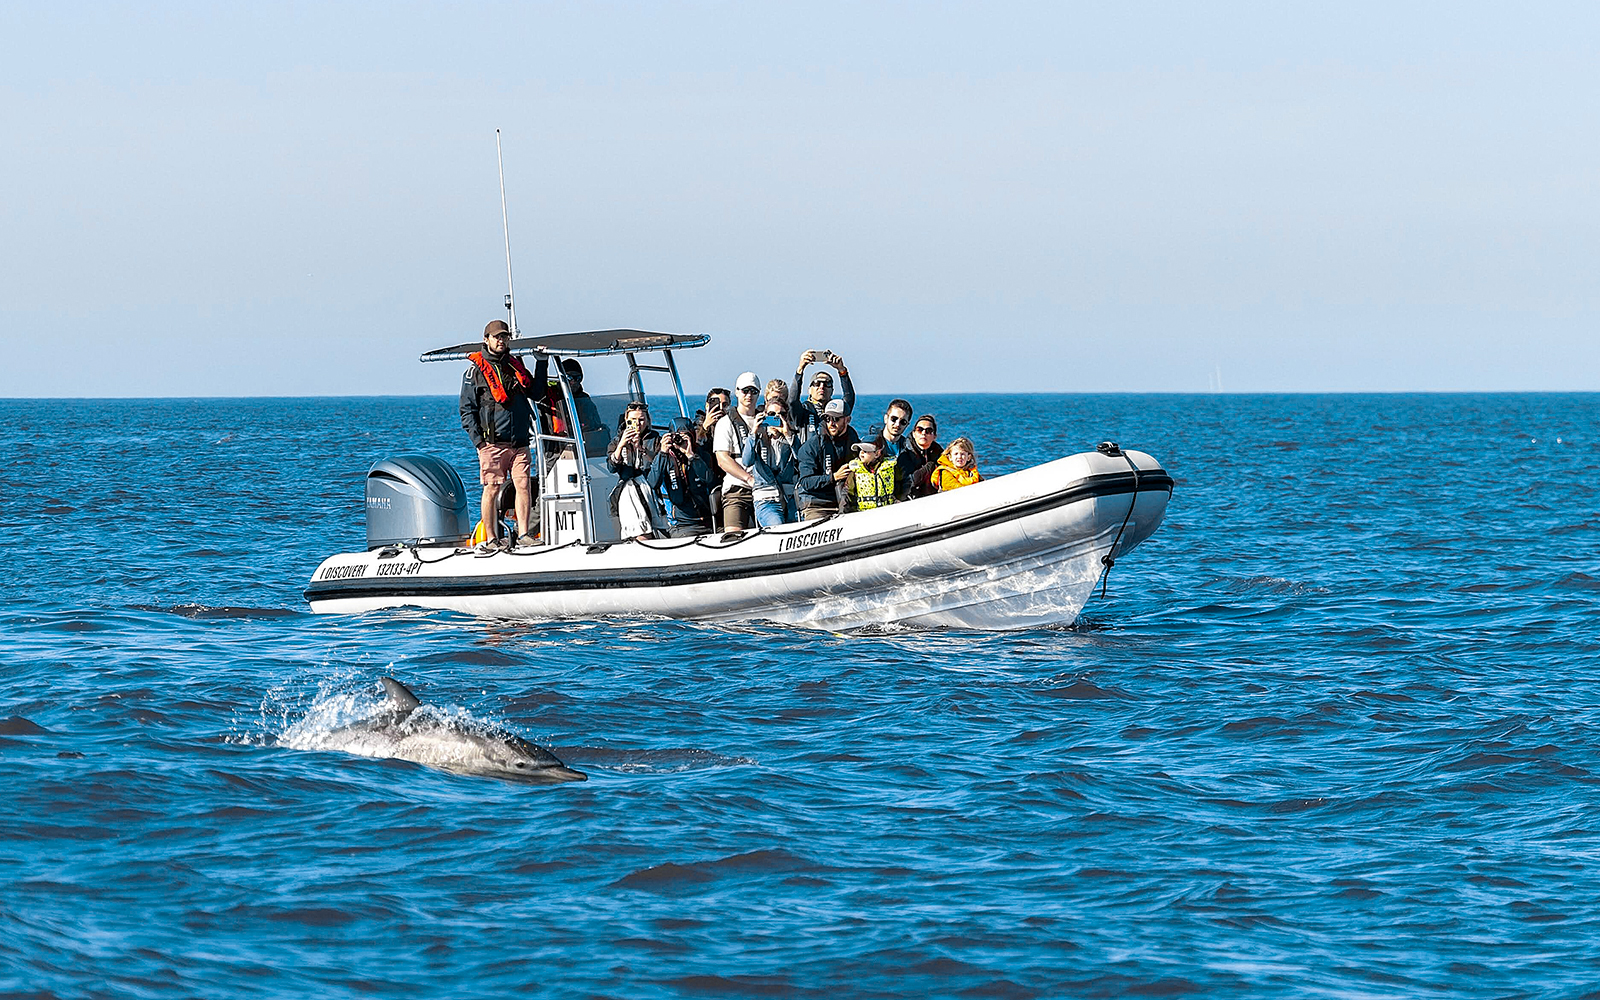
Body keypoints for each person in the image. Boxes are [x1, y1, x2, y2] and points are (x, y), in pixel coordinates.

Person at [458, 319, 537, 550]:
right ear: (487, 339)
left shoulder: (515, 365)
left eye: (504, 337)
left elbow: (535, 390)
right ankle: (491, 538)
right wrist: (479, 443)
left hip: (520, 442)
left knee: (523, 485)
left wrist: (541, 362)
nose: (501, 341)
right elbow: (466, 409)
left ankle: (524, 534)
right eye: (497, 337)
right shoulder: (474, 372)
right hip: (492, 444)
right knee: (492, 487)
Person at [713, 372, 765, 531]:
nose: (749, 395)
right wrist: (748, 478)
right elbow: (722, 459)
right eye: (745, 391)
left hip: (766, 489)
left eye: (753, 391)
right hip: (737, 489)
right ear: (737, 392)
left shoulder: (766, 421)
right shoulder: (725, 423)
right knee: (733, 533)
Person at [794, 398, 860, 521]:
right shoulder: (811, 446)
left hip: (846, 501)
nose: (831, 423)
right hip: (817, 505)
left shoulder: (854, 442)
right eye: (827, 419)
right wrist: (834, 477)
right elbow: (806, 482)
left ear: (847, 420)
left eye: (836, 419)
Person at [648, 418, 715, 536]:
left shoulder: (701, 455)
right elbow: (653, 483)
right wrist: (663, 453)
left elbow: (709, 479)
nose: (680, 441)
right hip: (681, 524)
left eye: (685, 436)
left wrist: (690, 455)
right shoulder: (665, 458)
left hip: (709, 520)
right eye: (677, 437)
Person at [741, 396, 798, 527]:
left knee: (798, 526)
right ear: (765, 415)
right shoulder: (758, 438)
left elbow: (801, 459)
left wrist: (788, 435)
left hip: (789, 498)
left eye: (782, 414)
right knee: (777, 526)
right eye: (772, 414)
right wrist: (754, 432)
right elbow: (747, 461)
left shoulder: (791, 438)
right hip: (766, 499)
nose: (777, 418)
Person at [607, 401, 659, 540]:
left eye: (641, 420)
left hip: (650, 487)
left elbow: (658, 464)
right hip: (628, 489)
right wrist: (621, 445)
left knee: (658, 530)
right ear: (626, 420)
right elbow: (612, 467)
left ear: (647, 421)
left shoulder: (654, 440)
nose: (638, 424)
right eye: (633, 420)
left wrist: (641, 448)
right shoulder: (617, 441)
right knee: (640, 534)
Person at [788, 350, 855, 443]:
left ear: (832, 390)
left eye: (827, 384)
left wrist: (842, 371)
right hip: (809, 455)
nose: (822, 387)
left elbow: (849, 398)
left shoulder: (836, 409)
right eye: (816, 383)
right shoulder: (803, 410)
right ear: (809, 390)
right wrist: (800, 369)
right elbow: (792, 401)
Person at [843, 433, 900, 512]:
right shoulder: (855, 472)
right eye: (860, 450)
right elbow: (847, 494)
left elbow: (901, 485)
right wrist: (845, 512)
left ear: (877, 453)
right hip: (864, 513)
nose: (861, 453)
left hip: (888, 510)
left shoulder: (891, 468)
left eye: (866, 450)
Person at [897, 414, 943, 500]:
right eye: (919, 430)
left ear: (934, 436)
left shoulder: (941, 455)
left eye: (928, 431)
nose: (923, 433)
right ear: (914, 434)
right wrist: (928, 468)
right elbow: (906, 484)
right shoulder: (903, 454)